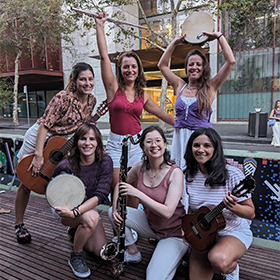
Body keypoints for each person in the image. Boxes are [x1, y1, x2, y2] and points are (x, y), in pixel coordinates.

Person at [95, 12, 175, 208]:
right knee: (118, 188)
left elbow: (162, 114)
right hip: (115, 145)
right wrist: (99, 26)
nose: (130, 70)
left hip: (136, 145)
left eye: (133, 67)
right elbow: (104, 57)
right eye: (125, 67)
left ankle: (131, 231)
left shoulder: (143, 95)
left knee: (134, 190)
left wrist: (189, 124)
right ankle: (118, 232)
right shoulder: (113, 88)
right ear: (120, 70)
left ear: (138, 69)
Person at [14, 62, 97, 244]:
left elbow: (80, 130)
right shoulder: (63, 97)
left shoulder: (92, 101)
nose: (87, 83)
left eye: (90, 79)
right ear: (74, 81)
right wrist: (38, 155)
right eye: (83, 79)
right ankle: (19, 224)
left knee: (68, 180)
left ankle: (72, 224)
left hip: (60, 142)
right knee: (27, 181)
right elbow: (45, 125)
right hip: (40, 136)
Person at [108, 125, 189, 280]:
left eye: (158, 141)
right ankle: (132, 251)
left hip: (174, 233)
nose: (154, 145)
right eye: (149, 142)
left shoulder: (175, 172)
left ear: (165, 145)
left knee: (153, 277)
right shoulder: (140, 167)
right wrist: (115, 207)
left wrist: (137, 193)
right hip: (151, 226)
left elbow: (167, 212)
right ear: (143, 147)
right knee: (113, 213)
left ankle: (176, 255)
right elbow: (120, 183)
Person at [183, 127, 255, 280]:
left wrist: (233, 207)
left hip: (231, 231)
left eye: (207, 146)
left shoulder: (233, 174)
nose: (201, 150)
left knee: (218, 259)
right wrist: (188, 229)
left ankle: (231, 268)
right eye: (196, 145)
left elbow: (251, 213)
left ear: (215, 148)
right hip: (202, 233)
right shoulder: (188, 175)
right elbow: (190, 209)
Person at [158, 32, 236, 171]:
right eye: (191, 64)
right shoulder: (180, 85)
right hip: (180, 139)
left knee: (200, 173)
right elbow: (162, 65)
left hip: (201, 140)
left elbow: (230, 61)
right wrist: (174, 42)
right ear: (186, 68)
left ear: (204, 68)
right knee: (179, 174)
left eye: (198, 64)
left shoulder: (210, 87)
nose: (194, 67)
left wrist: (219, 36)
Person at [50, 123, 113, 278]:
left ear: (98, 142)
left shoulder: (105, 162)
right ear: (76, 142)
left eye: (92, 139)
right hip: (65, 207)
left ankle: (76, 230)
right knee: (92, 218)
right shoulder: (66, 165)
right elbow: (54, 192)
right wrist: (69, 212)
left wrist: (77, 212)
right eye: (83, 138)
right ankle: (76, 255)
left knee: (99, 251)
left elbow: (101, 194)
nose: (87, 143)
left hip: (86, 207)